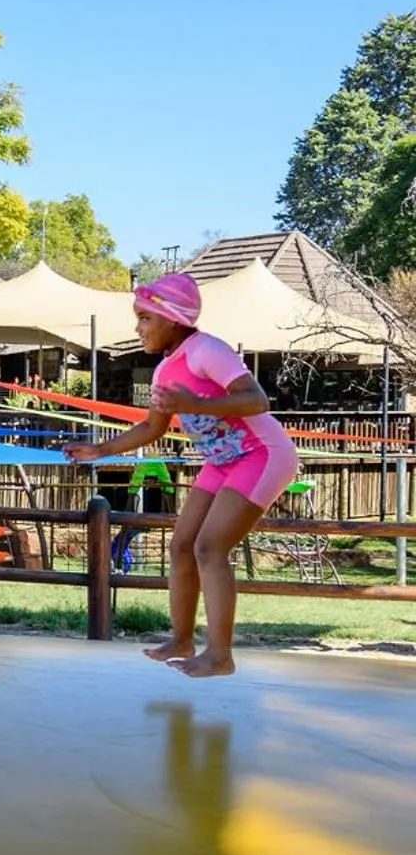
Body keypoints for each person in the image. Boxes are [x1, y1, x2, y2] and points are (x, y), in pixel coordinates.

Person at [66, 272, 297, 678]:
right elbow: (152, 428)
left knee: (210, 547)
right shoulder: (163, 372)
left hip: (262, 454)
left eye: (144, 318)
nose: (138, 328)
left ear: (171, 318)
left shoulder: (207, 350)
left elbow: (256, 400)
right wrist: (100, 450)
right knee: (181, 545)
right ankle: (182, 639)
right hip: (223, 460)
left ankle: (220, 654)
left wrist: (196, 403)